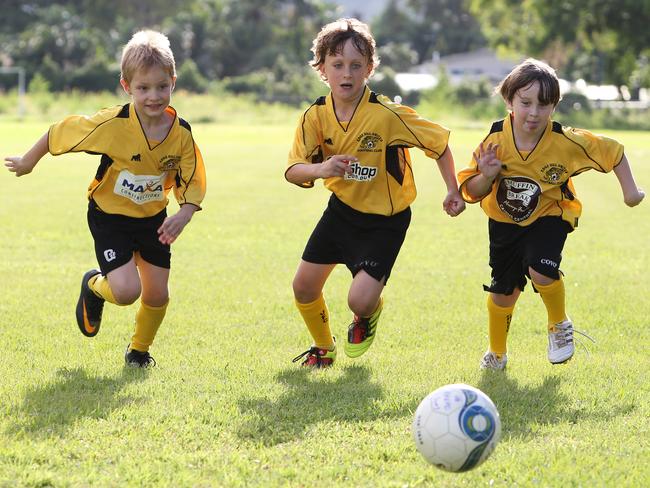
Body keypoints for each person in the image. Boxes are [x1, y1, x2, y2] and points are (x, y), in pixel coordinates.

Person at [5, 30, 206, 368]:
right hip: (109, 216)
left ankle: (138, 353)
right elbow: (61, 131)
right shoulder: (113, 124)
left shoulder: (181, 133)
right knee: (127, 292)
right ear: (127, 87)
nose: (154, 96)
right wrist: (28, 160)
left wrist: (184, 213)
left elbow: (193, 176)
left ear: (173, 81)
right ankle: (95, 285)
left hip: (154, 218)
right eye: (143, 88)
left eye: (161, 86)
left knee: (158, 294)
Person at [286, 18, 465, 368]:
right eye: (337, 65)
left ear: (369, 68)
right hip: (341, 212)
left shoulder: (386, 115)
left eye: (356, 65)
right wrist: (322, 169)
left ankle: (368, 314)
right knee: (303, 287)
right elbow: (293, 170)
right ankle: (323, 349)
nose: (346, 73)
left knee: (359, 301)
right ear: (322, 69)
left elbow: (439, 144)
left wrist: (452, 189)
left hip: (386, 221)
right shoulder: (314, 117)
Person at [458, 58, 644, 370]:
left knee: (540, 269)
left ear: (554, 106)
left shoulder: (565, 141)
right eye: (526, 103)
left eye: (543, 105)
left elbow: (614, 152)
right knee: (504, 294)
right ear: (509, 101)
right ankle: (497, 354)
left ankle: (559, 326)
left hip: (550, 216)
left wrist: (631, 192)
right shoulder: (494, 140)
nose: (534, 113)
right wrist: (488, 175)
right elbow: (472, 192)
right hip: (504, 224)